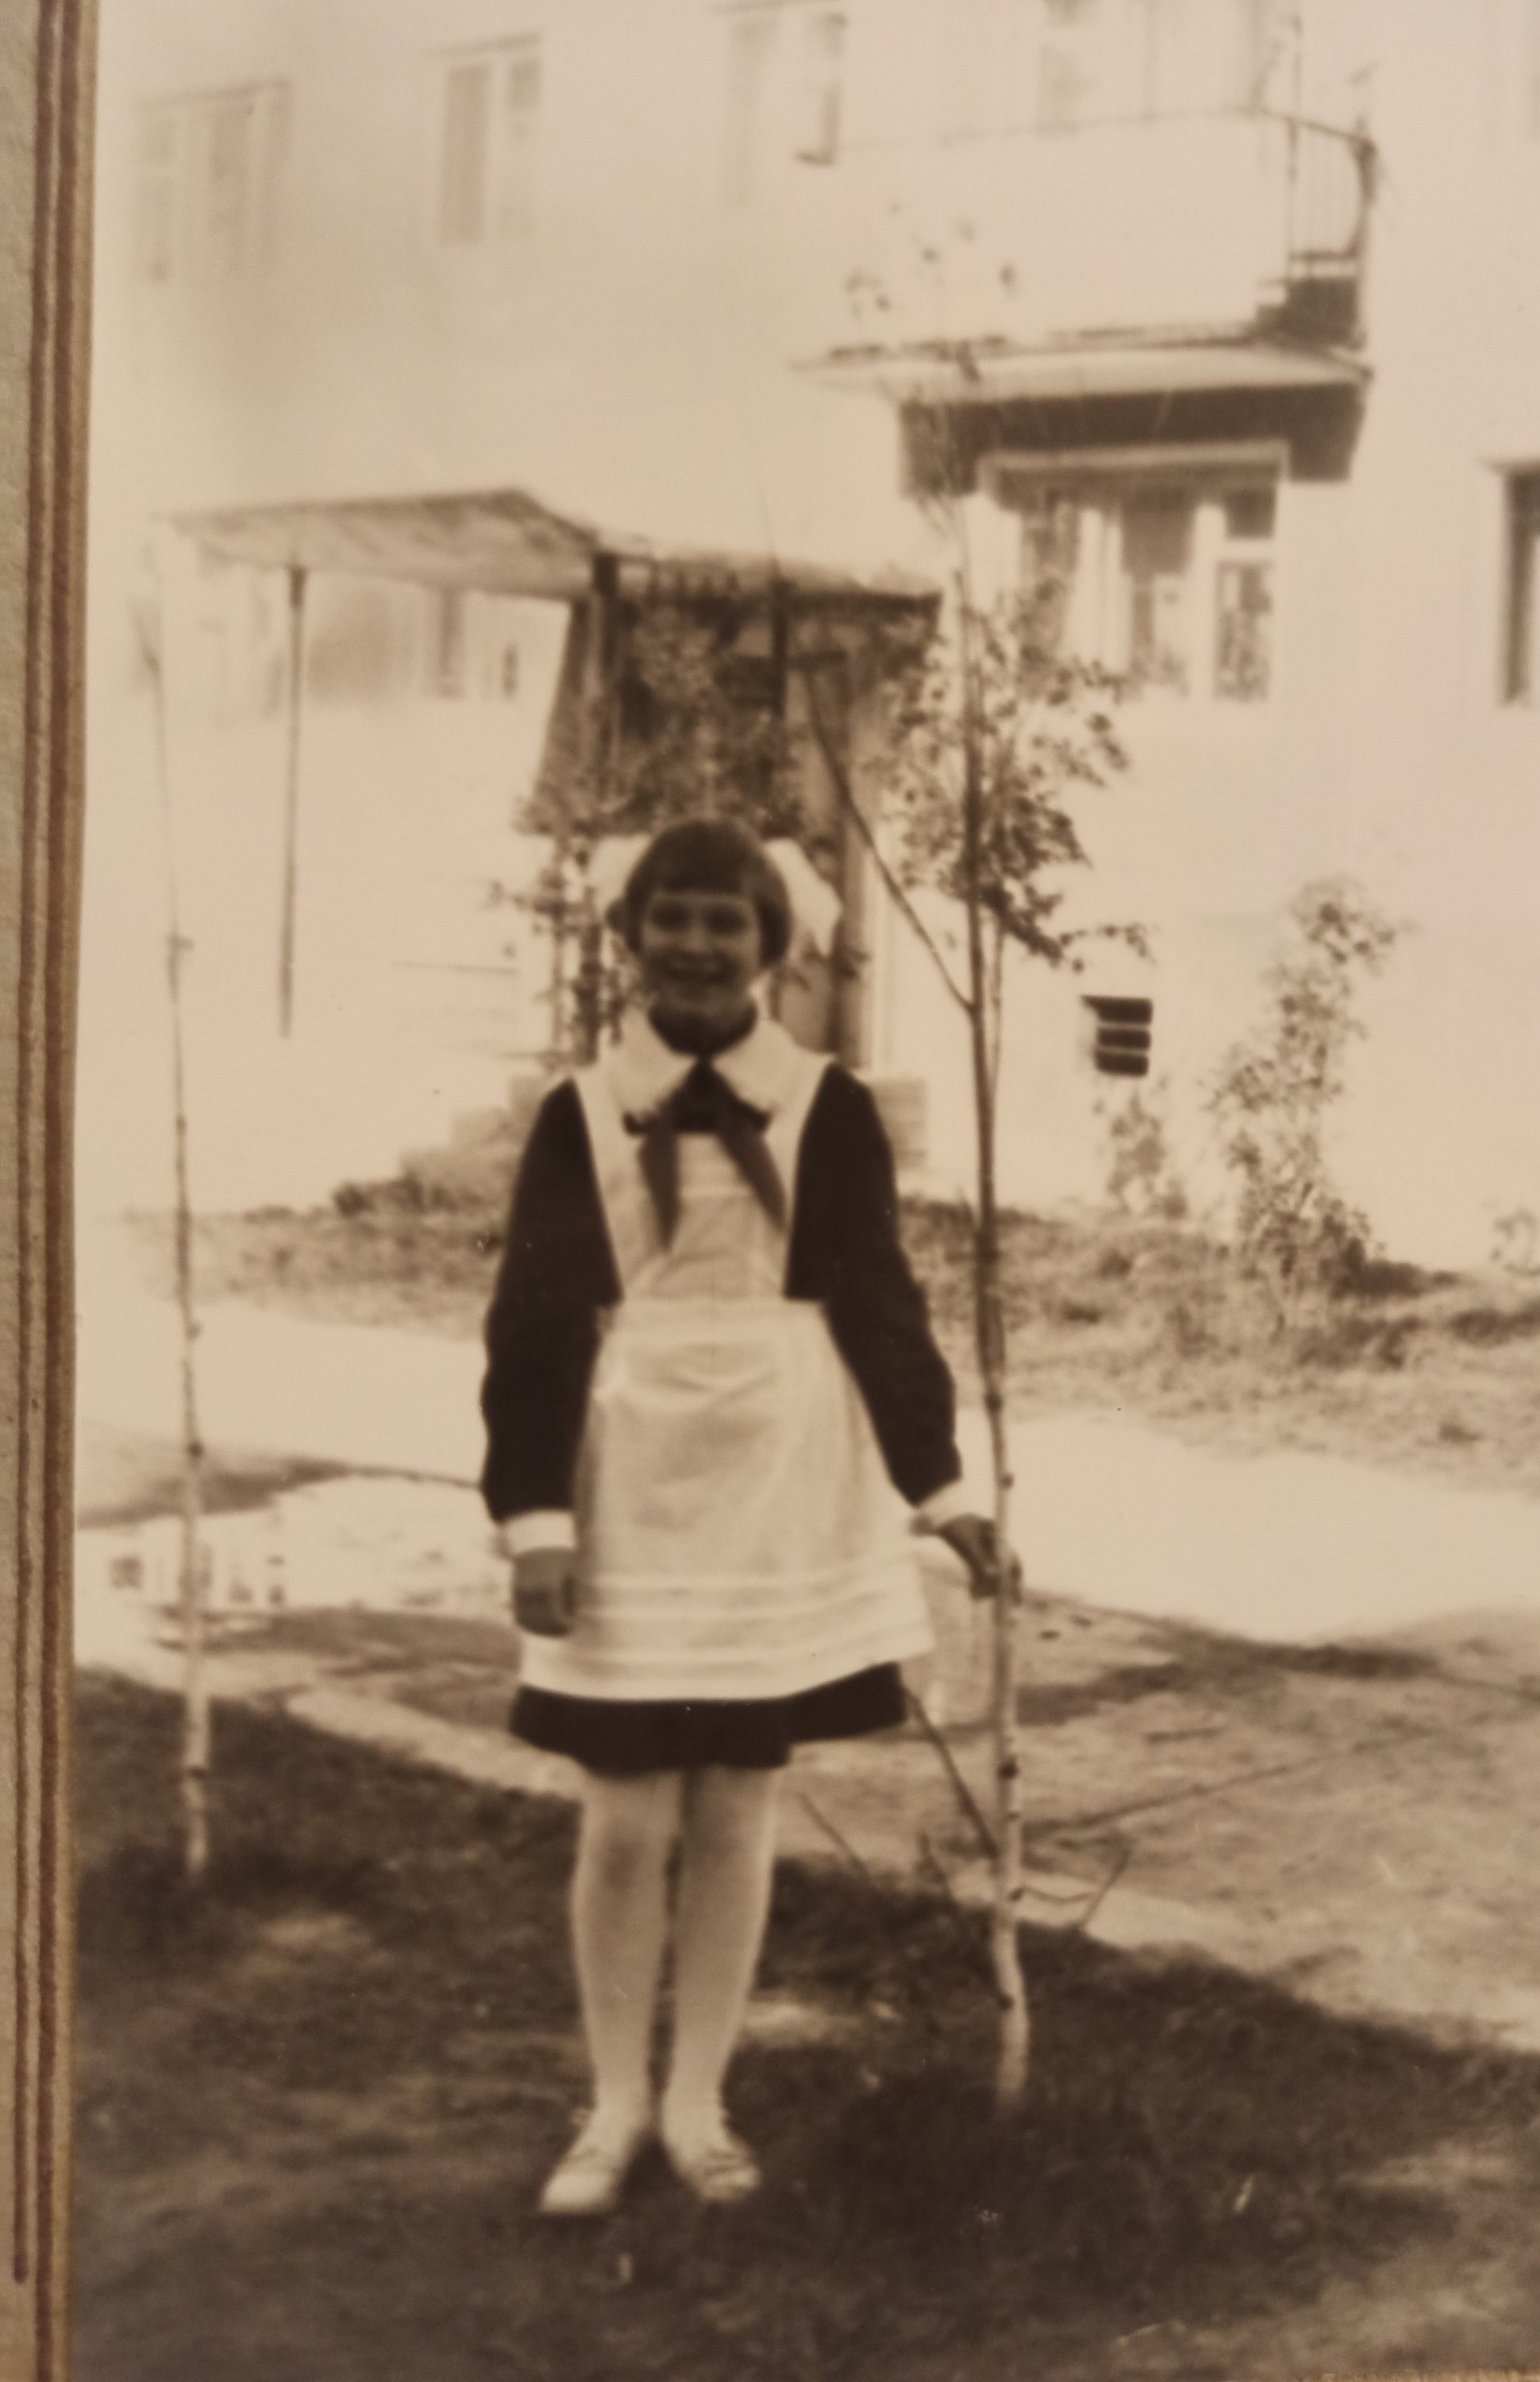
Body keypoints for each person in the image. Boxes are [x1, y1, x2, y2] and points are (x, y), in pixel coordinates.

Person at [479, 815, 1005, 2218]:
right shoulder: (582, 1109)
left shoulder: (827, 1107)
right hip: (627, 1479)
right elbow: (533, 1321)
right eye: (674, 917)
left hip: (780, 1481)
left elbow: (878, 1300)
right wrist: (535, 1516)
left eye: (728, 921)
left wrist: (941, 1489)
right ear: (627, 935)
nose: (698, 945)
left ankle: (697, 2103)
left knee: (733, 1806)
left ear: (776, 948)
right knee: (623, 1816)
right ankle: (613, 2103)